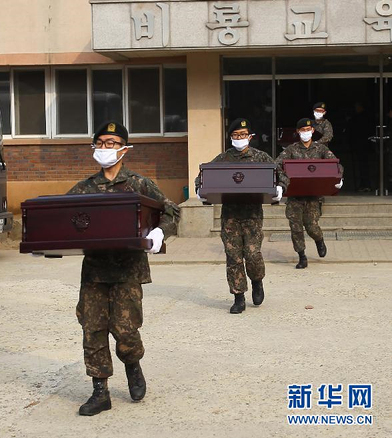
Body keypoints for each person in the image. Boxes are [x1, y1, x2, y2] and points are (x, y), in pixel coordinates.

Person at [67, 121, 180, 416]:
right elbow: (63, 218)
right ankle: (100, 391)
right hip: (94, 271)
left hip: (128, 270)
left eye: (113, 143)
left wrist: (159, 233)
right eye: (101, 142)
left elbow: (170, 210)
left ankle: (132, 365)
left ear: (125, 149)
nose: (106, 148)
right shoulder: (84, 188)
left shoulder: (140, 184)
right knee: (92, 330)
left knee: (126, 331)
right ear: (94, 147)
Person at [195, 118, 288, 314]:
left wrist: (280, 187)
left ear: (250, 137)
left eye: (243, 135)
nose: (240, 138)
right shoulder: (223, 158)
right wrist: (199, 188)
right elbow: (203, 175)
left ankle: (257, 281)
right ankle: (238, 297)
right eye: (236, 135)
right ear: (230, 138)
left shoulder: (261, 157)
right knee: (234, 257)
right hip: (230, 215)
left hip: (252, 214)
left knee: (253, 254)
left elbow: (281, 174)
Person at [276, 118, 344, 269]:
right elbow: (277, 164)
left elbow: (336, 164)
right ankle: (302, 256)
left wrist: (338, 177)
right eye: (302, 130)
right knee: (296, 228)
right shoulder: (291, 149)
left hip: (313, 196)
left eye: (308, 130)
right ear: (298, 132)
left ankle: (319, 240)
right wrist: (282, 182)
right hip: (295, 196)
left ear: (313, 131)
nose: (305, 133)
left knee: (311, 226)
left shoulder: (320, 149)